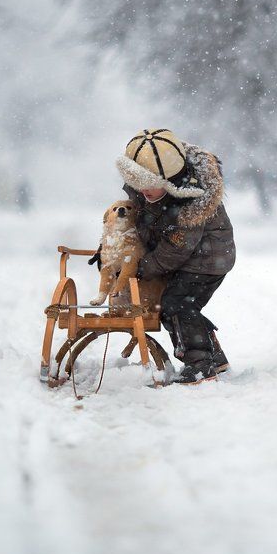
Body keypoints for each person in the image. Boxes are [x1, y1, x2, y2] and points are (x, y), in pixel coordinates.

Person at [115, 128, 236, 383]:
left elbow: (175, 250)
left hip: (207, 259)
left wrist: (143, 266)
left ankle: (199, 365)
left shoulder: (191, 202)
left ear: (170, 181)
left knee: (176, 305)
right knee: (181, 306)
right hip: (189, 256)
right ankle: (215, 357)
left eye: (152, 185)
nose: (144, 190)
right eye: (139, 183)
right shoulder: (150, 188)